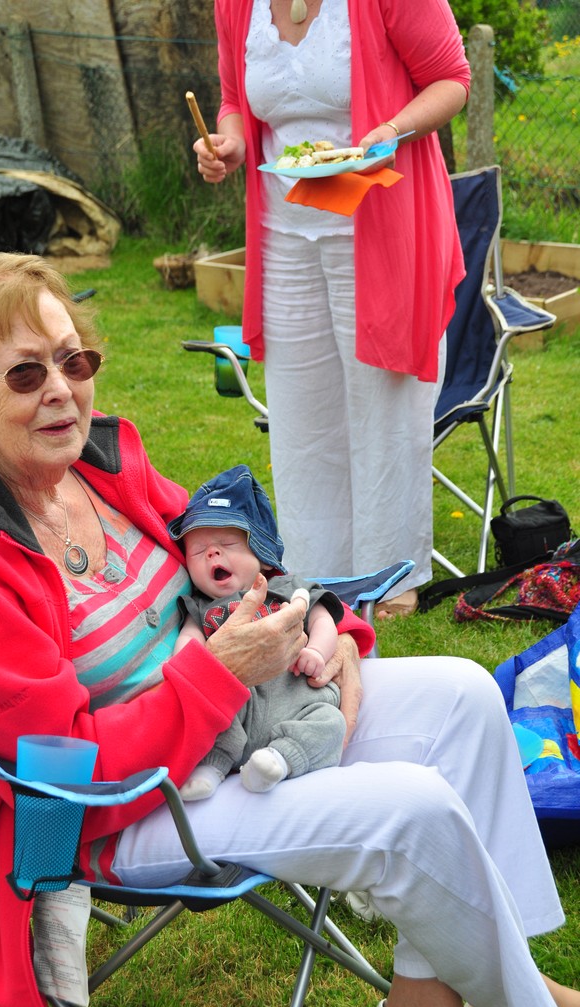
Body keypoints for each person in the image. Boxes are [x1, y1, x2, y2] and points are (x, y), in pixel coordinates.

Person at [0, 252, 579, 1007]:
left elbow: (237, 559)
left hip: (240, 715)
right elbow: (64, 780)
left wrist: (329, 625)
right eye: (26, 374)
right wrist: (219, 676)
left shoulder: (94, 465)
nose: (61, 389)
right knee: (411, 809)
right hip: (119, 808)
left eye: (73, 360)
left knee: (464, 697)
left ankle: (432, 997)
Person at [193, 0, 471, 618]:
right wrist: (229, 142)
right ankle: (315, 575)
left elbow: (452, 80)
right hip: (284, 234)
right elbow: (236, 99)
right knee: (301, 412)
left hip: (379, 222)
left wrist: (392, 129)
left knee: (384, 405)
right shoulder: (235, 5)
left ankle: (390, 579)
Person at [168, 463, 347, 800]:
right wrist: (190, 662)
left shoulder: (289, 588)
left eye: (227, 543)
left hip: (296, 701)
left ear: (264, 557)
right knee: (215, 718)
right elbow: (189, 639)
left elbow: (323, 621)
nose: (212, 552)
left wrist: (316, 651)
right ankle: (212, 767)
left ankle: (278, 760)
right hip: (239, 705)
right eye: (198, 550)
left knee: (330, 723)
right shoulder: (201, 607)